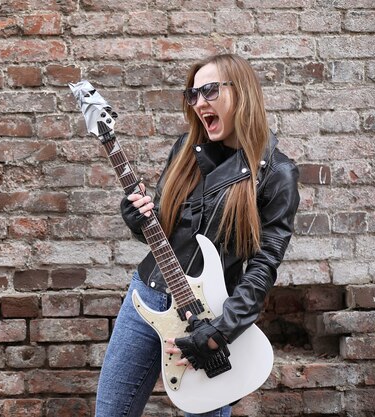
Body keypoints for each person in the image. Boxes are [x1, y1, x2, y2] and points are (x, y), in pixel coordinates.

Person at [94, 53, 300, 417]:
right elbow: (165, 237)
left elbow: (264, 266)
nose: (199, 102)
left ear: (243, 93)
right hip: (147, 296)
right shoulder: (187, 150)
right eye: (193, 94)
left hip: (210, 318)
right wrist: (138, 219)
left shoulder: (277, 173)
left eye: (209, 90)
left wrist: (221, 330)